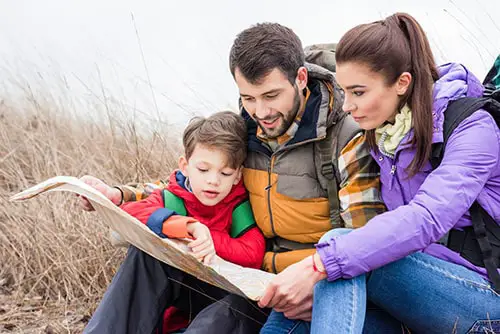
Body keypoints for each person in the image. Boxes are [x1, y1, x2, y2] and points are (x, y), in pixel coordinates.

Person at [81, 22, 386, 333]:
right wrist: (119, 196)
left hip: (302, 283)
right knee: (145, 256)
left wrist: (317, 279)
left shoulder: (347, 138)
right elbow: (186, 184)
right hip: (238, 274)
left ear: (300, 79)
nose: (261, 111)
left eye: (271, 95)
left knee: (222, 318)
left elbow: (364, 240)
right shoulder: (245, 129)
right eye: (249, 98)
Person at [258, 12, 500, 334]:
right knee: (307, 308)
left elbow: (426, 218)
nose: (347, 106)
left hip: (483, 302)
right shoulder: (387, 134)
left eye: (358, 92)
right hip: (418, 295)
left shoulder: (473, 128)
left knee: (338, 252)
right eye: (345, 92)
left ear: (402, 83)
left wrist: (319, 264)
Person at [83, 111, 266, 333]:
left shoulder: (237, 204)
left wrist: (211, 241)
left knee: (236, 306)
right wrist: (189, 228)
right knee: (146, 251)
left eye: (225, 173)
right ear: (185, 166)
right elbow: (132, 213)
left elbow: (253, 253)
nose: (213, 181)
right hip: (175, 302)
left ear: (238, 175)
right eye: (203, 169)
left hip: (219, 304)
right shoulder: (173, 196)